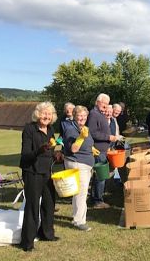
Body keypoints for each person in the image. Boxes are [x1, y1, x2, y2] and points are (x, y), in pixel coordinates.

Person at [19, 101, 61, 251]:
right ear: (38, 114)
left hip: (47, 172)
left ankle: (46, 234)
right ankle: (27, 242)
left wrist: (55, 155)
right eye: (44, 113)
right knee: (32, 206)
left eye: (49, 114)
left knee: (49, 204)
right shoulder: (29, 129)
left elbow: (50, 150)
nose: (47, 116)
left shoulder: (50, 129)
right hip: (32, 172)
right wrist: (39, 150)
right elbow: (25, 156)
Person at [63, 105, 97, 231]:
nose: (82, 118)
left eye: (84, 115)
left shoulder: (83, 127)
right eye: (79, 115)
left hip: (85, 162)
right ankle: (79, 221)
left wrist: (92, 148)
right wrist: (81, 137)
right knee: (81, 193)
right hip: (77, 163)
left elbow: (87, 142)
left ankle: (77, 216)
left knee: (80, 193)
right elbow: (73, 149)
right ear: (75, 116)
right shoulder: (71, 129)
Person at [87, 93, 113, 209]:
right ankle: (98, 201)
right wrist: (108, 137)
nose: (106, 106)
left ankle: (95, 197)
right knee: (101, 176)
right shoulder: (93, 114)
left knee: (98, 176)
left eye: (107, 104)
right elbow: (92, 133)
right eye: (104, 103)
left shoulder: (99, 113)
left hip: (102, 150)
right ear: (98, 102)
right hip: (98, 150)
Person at [110, 103, 124, 184]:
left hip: (115, 142)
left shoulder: (114, 118)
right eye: (116, 111)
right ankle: (115, 179)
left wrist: (119, 136)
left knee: (116, 161)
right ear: (112, 109)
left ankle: (116, 178)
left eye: (119, 112)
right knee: (114, 162)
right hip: (111, 143)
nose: (117, 113)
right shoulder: (110, 118)